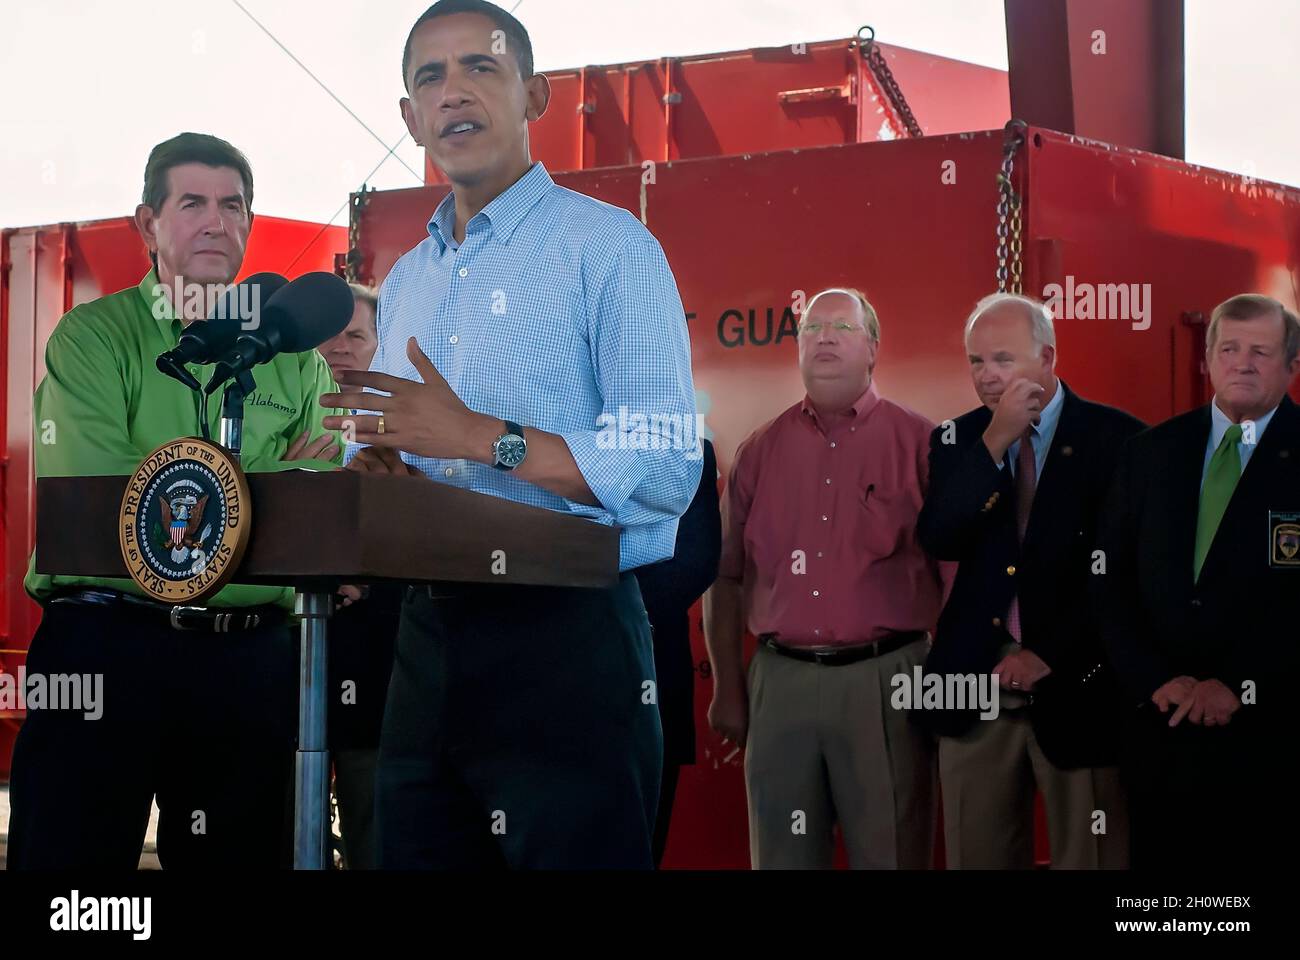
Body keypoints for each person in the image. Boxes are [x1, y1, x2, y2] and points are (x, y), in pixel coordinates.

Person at [321, 0, 699, 869]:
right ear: (409, 118)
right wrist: (383, 470)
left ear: (536, 95)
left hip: (566, 635)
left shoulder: (610, 248)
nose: (453, 92)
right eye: (428, 77)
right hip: (425, 638)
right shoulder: (409, 278)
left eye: (480, 67)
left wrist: (478, 436)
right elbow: (413, 454)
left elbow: (665, 468)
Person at [8, 132, 343, 870]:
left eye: (233, 205)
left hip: (251, 658)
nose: (215, 222)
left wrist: (192, 483)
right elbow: (105, 495)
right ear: (147, 224)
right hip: (102, 650)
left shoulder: (300, 362)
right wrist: (270, 480)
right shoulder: (92, 339)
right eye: (192, 203)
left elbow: (326, 509)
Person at [704, 287, 944, 869]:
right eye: (812, 328)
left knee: (891, 852)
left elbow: (959, 577)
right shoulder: (759, 450)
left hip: (889, 682)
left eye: (842, 326)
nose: (825, 337)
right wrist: (728, 686)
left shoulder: (923, 445)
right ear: (799, 349)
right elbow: (727, 579)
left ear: (873, 349)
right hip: (779, 684)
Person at [916, 293, 1142, 869]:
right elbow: (941, 536)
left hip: (1081, 688)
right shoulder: (955, 439)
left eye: (1002, 360)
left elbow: (1125, 575)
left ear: (1048, 357)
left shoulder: (1119, 440)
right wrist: (995, 442)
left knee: (1089, 855)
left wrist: (1050, 654)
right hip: (973, 688)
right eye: (975, 362)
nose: (988, 377)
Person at [1098, 293, 1300, 868]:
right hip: (1164, 729)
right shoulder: (1148, 452)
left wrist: (1240, 684)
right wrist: (1156, 679)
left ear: (1291, 366)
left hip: (1275, 739)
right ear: (1207, 359)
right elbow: (1109, 583)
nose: (1243, 363)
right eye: (1229, 349)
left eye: (1261, 351)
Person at [318, 283, 403, 870]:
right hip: (285, 643)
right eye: (330, 333)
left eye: (356, 335)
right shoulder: (269, 409)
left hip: (373, 650)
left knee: (371, 811)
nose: (341, 347)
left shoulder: (409, 428)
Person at [634, 437, 721, 867]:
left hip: (650, 687)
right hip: (535, 695)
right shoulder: (538, 440)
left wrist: (606, 617)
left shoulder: (688, 450)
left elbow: (696, 561)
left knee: (641, 848)